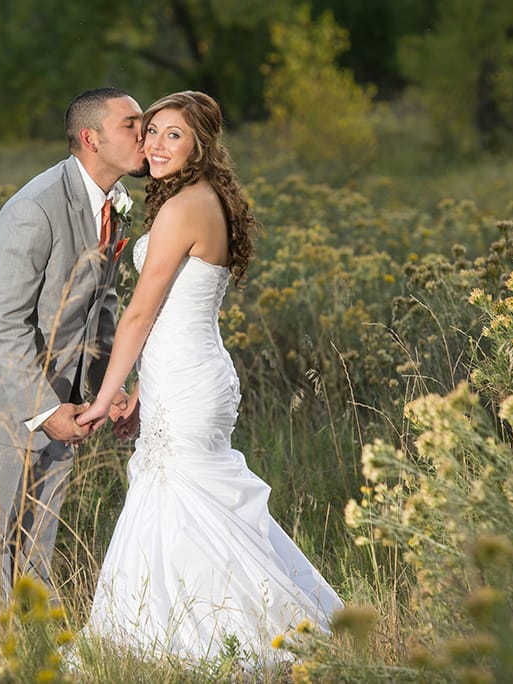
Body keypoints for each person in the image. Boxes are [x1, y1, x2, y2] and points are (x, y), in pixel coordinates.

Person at [76, 91, 343, 664]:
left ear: (200, 144)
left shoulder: (183, 207)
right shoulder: (199, 199)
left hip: (189, 377)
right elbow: (176, 311)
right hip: (184, 374)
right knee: (185, 508)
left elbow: (142, 313)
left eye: (174, 135)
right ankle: (187, 639)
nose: (157, 144)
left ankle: (210, 646)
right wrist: (142, 390)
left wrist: (103, 400)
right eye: (151, 132)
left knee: (182, 503)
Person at [0, 87, 145, 647]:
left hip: (61, 406)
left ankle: (35, 663)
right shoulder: (34, 208)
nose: (143, 133)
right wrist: (47, 409)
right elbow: (3, 323)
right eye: (132, 124)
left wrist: (109, 390)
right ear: (90, 138)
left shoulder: (115, 203)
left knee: (35, 551)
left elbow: (99, 308)